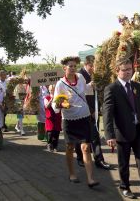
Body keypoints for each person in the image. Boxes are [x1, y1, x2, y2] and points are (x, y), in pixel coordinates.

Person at [103, 58, 140, 200]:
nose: (127, 72)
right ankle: (125, 187)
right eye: (124, 70)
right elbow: (107, 114)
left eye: (130, 69)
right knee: (124, 162)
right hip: (122, 133)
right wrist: (109, 135)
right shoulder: (111, 89)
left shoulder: (136, 86)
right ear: (117, 71)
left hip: (138, 130)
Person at [53, 56, 99, 187]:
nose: (73, 68)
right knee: (70, 147)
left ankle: (90, 178)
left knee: (85, 147)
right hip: (69, 120)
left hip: (83, 117)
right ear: (64, 68)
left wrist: (93, 85)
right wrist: (63, 105)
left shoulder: (81, 77)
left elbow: (86, 90)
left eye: (74, 66)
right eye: (70, 66)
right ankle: (72, 173)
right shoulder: (60, 84)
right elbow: (55, 104)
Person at [75, 55, 111, 170]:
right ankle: (80, 158)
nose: (94, 68)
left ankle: (99, 160)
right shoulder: (80, 75)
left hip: (94, 111)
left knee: (95, 136)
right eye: (92, 66)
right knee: (81, 136)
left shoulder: (94, 75)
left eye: (95, 66)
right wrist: (90, 110)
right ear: (86, 64)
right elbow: (78, 95)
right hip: (83, 111)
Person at [44, 85, 62, 152]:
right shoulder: (47, 98)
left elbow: (62, 106)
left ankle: (55, 146)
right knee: (50, 132)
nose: (53, 91)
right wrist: (51, 100)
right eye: (51, 90)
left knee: (57, 132)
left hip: (57, 116)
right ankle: (49, 144)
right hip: (50, 117)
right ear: (49, 90)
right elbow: (47, 106)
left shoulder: (59, 97)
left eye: (54, 90)